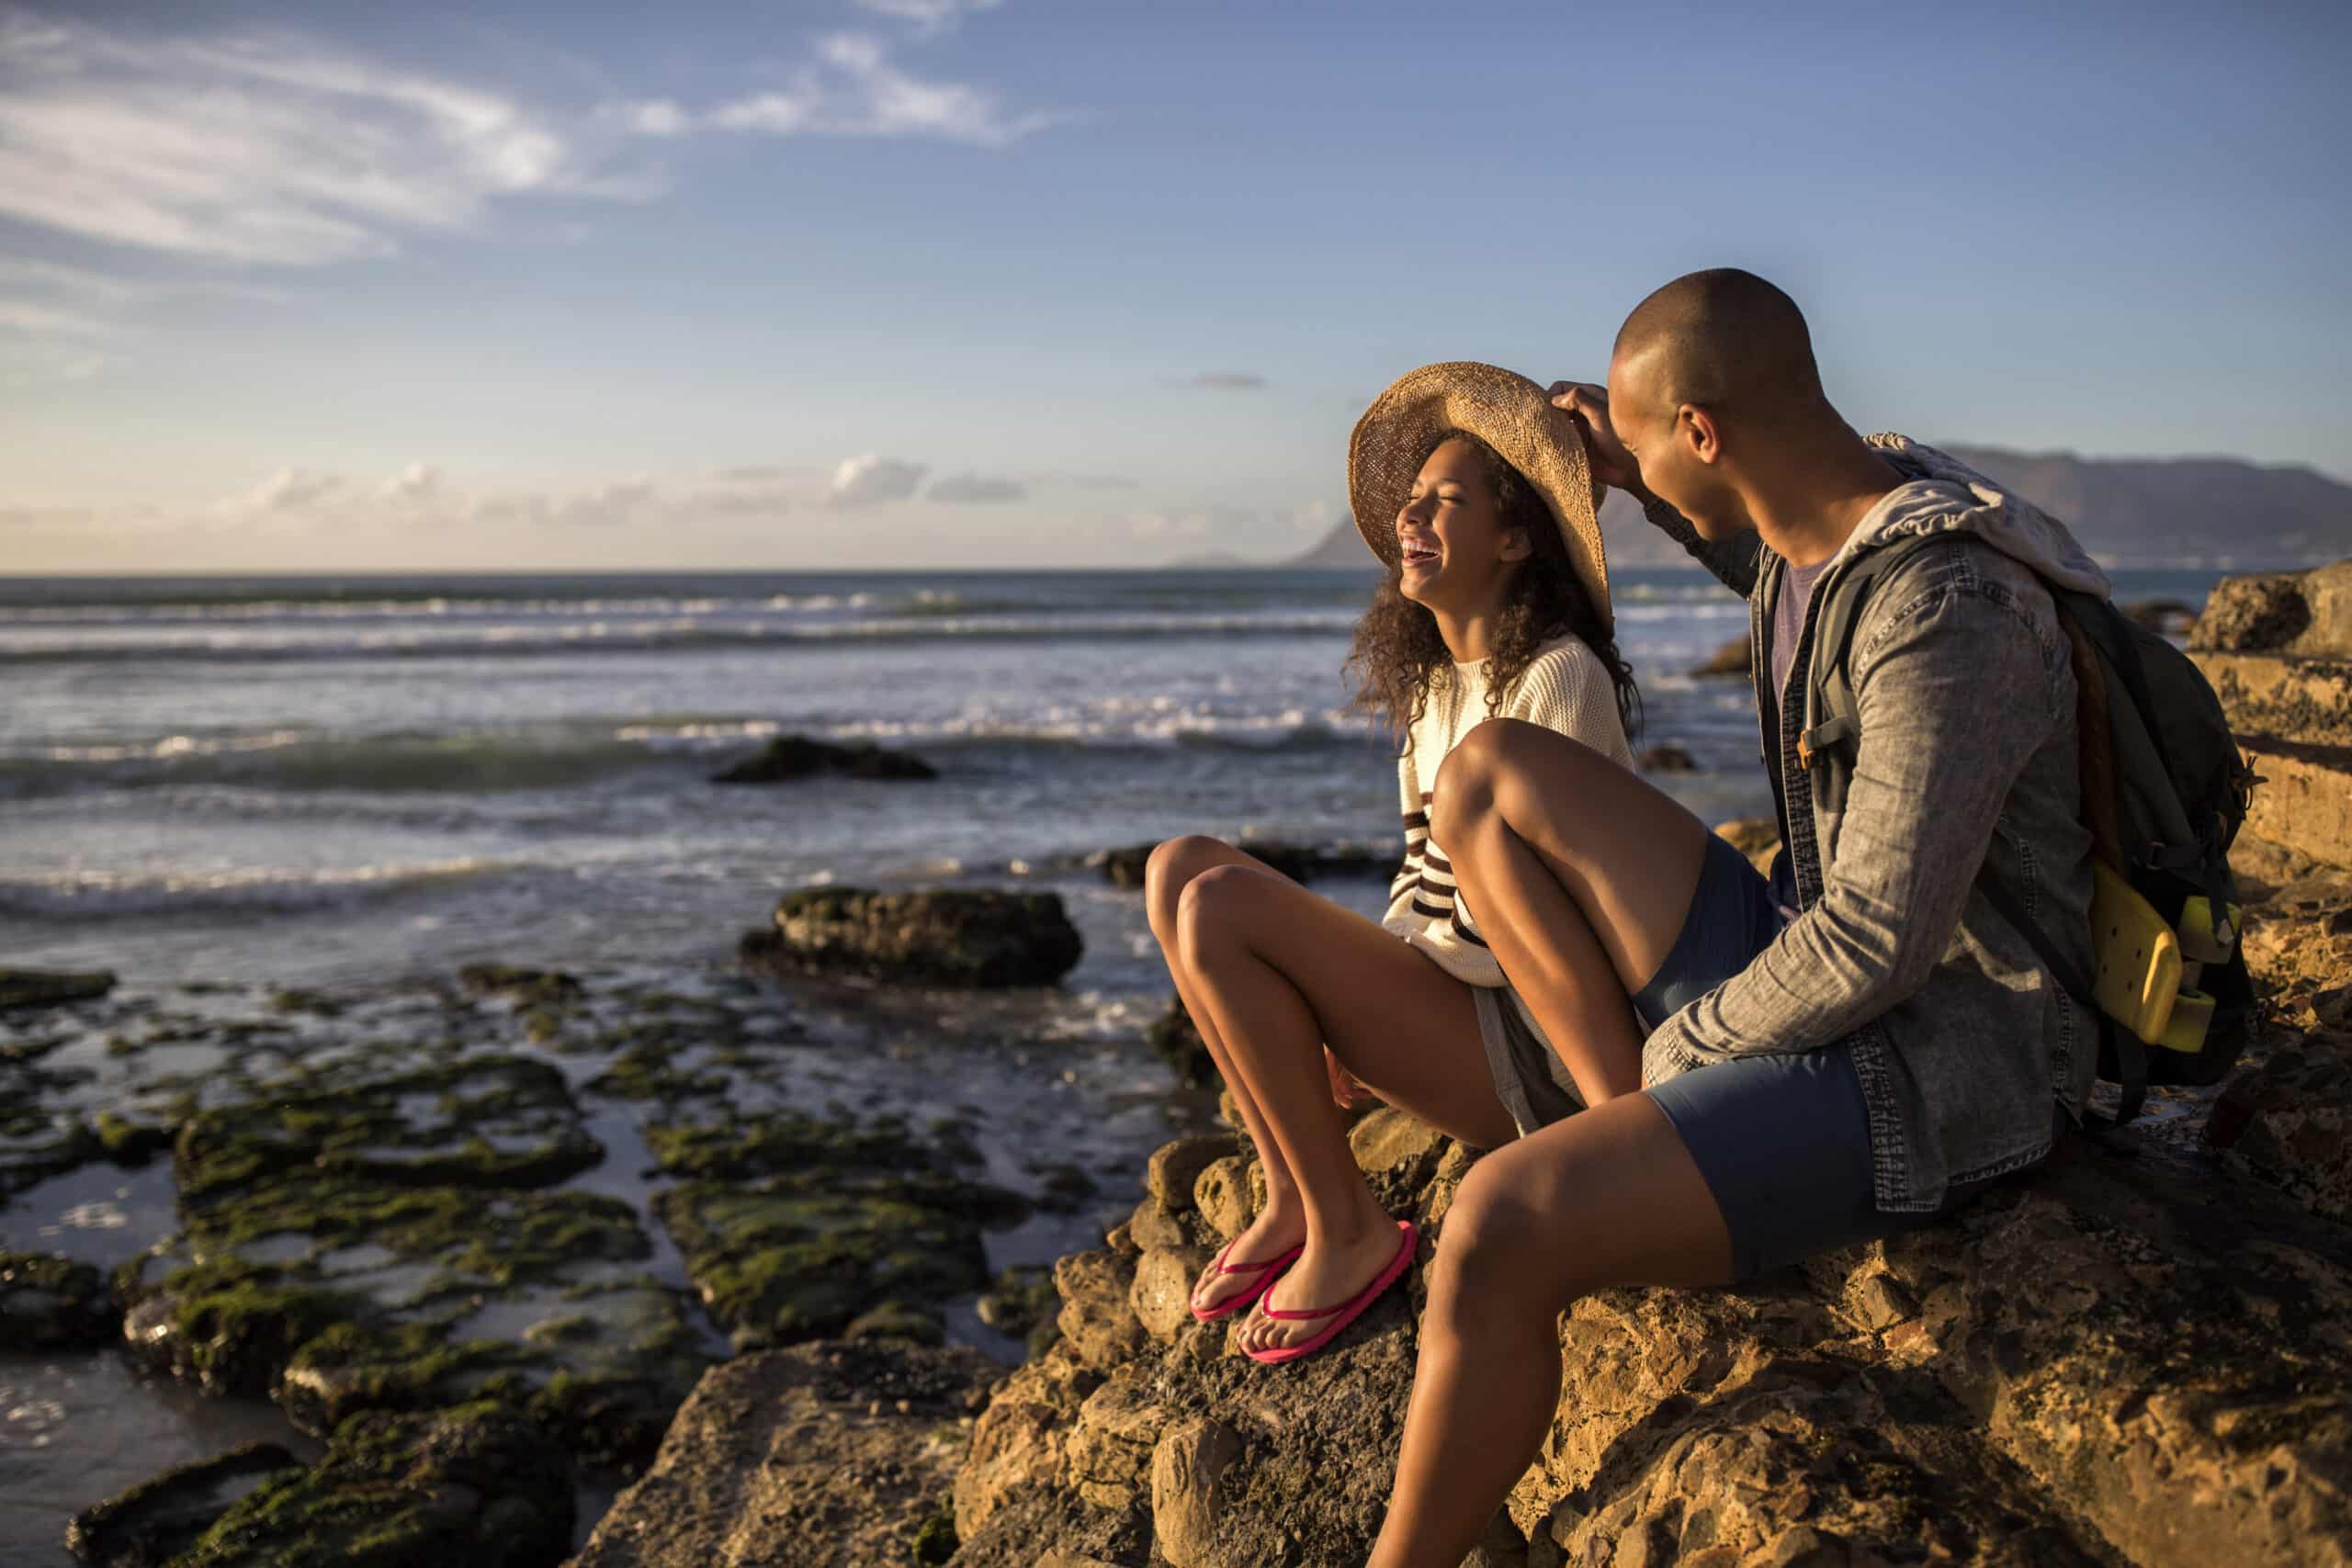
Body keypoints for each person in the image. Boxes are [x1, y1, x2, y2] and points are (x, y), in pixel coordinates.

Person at [1364, 270, 2106, 1565]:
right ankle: (1628, 1149)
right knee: (1492, 774)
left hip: (1935, 1067)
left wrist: (1679, 1056)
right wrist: (1637, 464)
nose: (1609, 477)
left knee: (1494, 1218)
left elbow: (1877, 939)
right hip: (1818, 967)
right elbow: (1762, 551)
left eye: (1641, 446)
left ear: (1703, 428)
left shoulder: (1946, 612)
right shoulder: (1832, 530)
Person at [1145, 362, 1641, 1363]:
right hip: (1448, 1003)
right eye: (1409, 503)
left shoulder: (1557, 678)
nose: (1411, 521)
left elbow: (1576, 919)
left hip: (1528, 1046)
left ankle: (1351, 1228)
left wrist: (1378, 1010)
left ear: (1512, 541)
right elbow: (1425, 886)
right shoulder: (1432, 691)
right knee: (1176, 866)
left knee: (1220, 908)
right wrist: (1357, 1014)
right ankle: (1292, 1193)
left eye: (1444, 503)